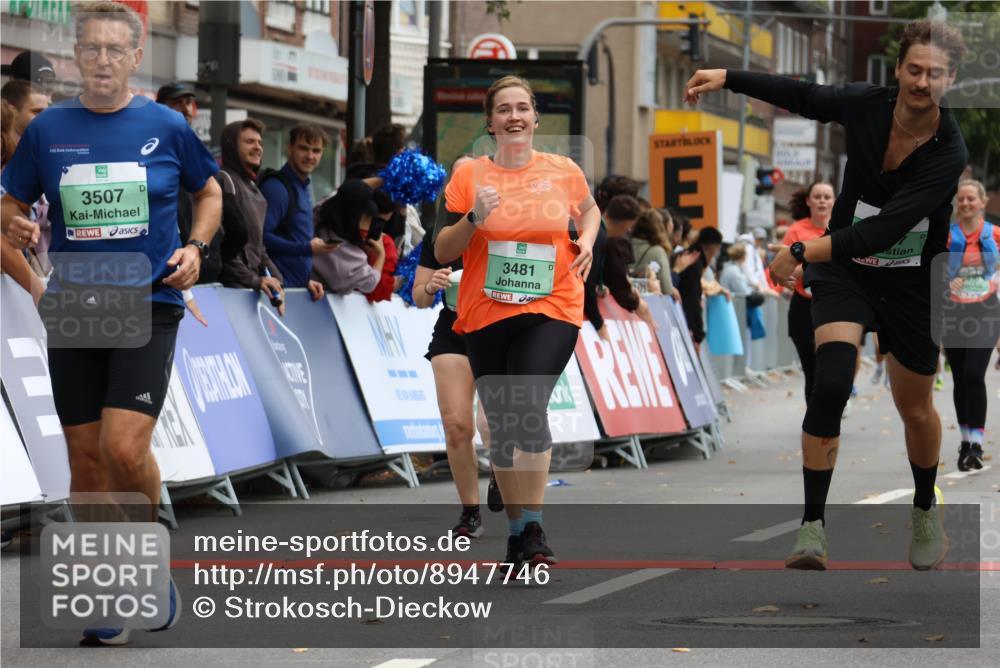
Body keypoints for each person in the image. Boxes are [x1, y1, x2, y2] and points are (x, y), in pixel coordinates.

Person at [685, 18, 968, 571]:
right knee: (831, 382)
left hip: (909, 282)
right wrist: (726, 75)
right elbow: (803, 94)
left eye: (933, 74)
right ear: (899, 69)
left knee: (914, 408)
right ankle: (812, 526)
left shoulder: (947, 152)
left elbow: (888, 229)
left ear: (950, 79)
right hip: (847, 272)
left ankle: (924, 506)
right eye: (913, 70)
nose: (921, 82)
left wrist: (801, 251)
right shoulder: (867, 104)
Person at [0, 1, 222, 644]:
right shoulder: (50, 129)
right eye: (89, 49)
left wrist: (197, 248)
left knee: (124, 449)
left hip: (148, 300)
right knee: (85, 461)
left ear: (134, 56)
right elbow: (11, 201)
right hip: (76, 301)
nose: (101, 60)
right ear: (77, 57)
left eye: (113, 50)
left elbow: (208, 192)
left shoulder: (166, 126)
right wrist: (13, 223)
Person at [436, 75, 600, 567]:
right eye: (503, 109)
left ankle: (534, 526)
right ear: (490, 122)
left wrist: (587, 240)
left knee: (526, 403)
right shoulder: (470, 177)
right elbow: (443, 249)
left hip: (553, 306)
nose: (514, 116)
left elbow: (590, 213)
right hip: (486, 312)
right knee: (505, 425)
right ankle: (515, 531)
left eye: (522, 108)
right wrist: (473, 220)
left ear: (534, 118)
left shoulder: (563, 170)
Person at [412, 154, 502, 537]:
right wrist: (431, 286)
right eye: (459, 176)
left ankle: (501, 470)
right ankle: (470, 513)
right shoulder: (442, 231)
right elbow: (417, 294)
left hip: (498, 328)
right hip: (453, 330)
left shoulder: (506, 224)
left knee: (490, 423)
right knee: (457, 425)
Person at [943, 178, 999, 471]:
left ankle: (976, 443)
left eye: (971, 199)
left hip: (987, 312)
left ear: (982, 202)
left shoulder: (996, 235)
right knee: (961, 379)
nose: (965, 204)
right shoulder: (947, 237)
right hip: (953, 313)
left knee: (975, 374)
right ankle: (965, 441)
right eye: (961, 199)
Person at [776, 181, 836, 403]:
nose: (822, 201)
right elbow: (786, 267)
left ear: (834, 202)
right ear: (808, 201)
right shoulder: (796, 230)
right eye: (817, 196)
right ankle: (816, 422)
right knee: (812, 370)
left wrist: (809, 265)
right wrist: (817, 265)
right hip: (804, 306)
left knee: (830, 368)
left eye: (827, 197)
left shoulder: (840, 228)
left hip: (834, 305)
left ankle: (833, 405)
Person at [217, 118, 285, 312]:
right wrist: (253, 280)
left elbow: (258, 247)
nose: (257, 147)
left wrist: (278, 280)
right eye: (249, 142)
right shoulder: (224, 181)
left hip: (249, 290)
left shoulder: (254, 187)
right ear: (231, 147)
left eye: (260, 143)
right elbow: (222, 246)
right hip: (230, 291)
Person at [260, 123, 334, 301]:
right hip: (276, 294)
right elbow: (262, 238)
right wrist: (307, 249)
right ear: (290, 148)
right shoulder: (277, 187)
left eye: (316, 151)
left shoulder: (302, 186)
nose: (310, 156)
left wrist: (305, 281)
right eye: (304, 148)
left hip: (293, 289)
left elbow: (292, 236)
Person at [312, 178, 389, 299]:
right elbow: (371, 282)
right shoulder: (350, 256)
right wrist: (381, 255)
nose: (368, 228)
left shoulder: (318, 216)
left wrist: (383, 179)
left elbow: (343, 192)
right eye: (365, 219)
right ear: (353, 217)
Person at [601, 194, 658, 330]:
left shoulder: (601, 235)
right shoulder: (611, 239)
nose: (629, 231)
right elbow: (616, 278)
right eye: (629, 226)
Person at [677, 226, 725, 348]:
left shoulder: (689, 257)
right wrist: (697, 333)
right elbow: (692, 298)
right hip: (685, 325)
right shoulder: (694, 263)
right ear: (714, 247)